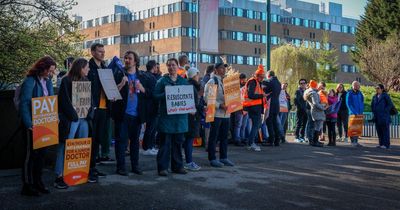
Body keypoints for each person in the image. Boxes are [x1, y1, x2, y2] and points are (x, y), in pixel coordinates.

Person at [19, 56, 56, 196]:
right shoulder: (30, 81)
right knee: (30, 156)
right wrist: (29, 124)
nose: (51, 74)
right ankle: (27, 185)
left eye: (52, 71)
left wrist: (54, 118)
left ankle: (38, 182)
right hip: (32, 124)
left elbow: (51, 102)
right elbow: (24, 103)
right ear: (43, 68)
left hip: (45, 123)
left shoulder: (48, 82)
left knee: (41, 155)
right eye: (50, 71)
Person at [112, 51, 152, 176]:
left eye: (130, 58)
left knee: (135, 143)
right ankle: (121, 167)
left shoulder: (143, 77)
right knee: (121, 142)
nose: (127, 60)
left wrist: (142, 89)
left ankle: (135, 166)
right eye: (125, 58)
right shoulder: (118, 74)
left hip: (137, 115)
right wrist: (121, 84)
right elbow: (111, 95)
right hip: (122, 114)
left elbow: (151, 94)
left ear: (135, 61)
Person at [55, 58, 90, 189]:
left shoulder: (85, 80)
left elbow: (89, 99)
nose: (88, 69)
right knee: (64, 146)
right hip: (71, 119)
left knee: (82, 146)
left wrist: (89, 112)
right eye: (87, 67)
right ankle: (59, 176)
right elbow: (63, 101)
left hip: (83, 119)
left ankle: (77, 173)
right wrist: (74, 115)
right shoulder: (66, 80)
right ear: (80, 68)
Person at [154, 58, 189, 176]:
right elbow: (155, 96)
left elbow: (190, 97)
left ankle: (178, 166)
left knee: (178, 144)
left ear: (178, 67)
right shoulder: (162, 81)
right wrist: (166, 94)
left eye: (173, 65)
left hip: (180, 119)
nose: (171, 67)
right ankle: (163, 168)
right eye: (169, 65)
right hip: (166, 119)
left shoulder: (183, 81)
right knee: (165, 144)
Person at [204, 63, 234, 167]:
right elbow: (207, 98)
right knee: (214, 137)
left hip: (226, 114)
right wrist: (219, 105)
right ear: (216, 70)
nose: (224, 70)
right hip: (216, 114)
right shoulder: (212, 81)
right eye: (221, 68)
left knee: (224, 137)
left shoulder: (227, 81)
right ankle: (212, 158)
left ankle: (223, 157)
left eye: (224, 68)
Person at [87, 43, 109, 181]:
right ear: (93, 52)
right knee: (92, 139)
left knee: (99, 139)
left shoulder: (105, 67)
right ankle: (89, 168)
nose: (102, 54)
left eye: (103, 51)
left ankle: (93, 167)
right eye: (100, 51)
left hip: (104, 107)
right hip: (93, 109)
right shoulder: (89, 68)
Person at [243, 65, 266, 151]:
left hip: (255, 106)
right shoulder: (253, 82)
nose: (262, 79)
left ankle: (251, 142)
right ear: (257, 76)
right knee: (256, 125)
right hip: (253, 106)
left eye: (263, 77)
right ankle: (250, 143)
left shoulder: (256, 82)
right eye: (261, 77)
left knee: (257, 125)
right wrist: (262, 95)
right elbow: (251, 95)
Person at [183, 67, 203, 171]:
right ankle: (189, 162)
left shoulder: (188, 85)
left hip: (189, 116)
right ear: (195, 75)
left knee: (187, 140)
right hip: (192, 117)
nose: (199, 77)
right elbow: (194, 103)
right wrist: (202, 108)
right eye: (198, 75)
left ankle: (187, 160)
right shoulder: (192, 86)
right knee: (189, 140)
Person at [141, 60, 159, 156]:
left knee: (151, 127)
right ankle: (148, 147)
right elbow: (153, 92)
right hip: (151, 106)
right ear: (153, 67)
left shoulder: (145, 76)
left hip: (147, 105)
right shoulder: (151, 78)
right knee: (151, 127)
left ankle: (150, 146)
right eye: (156, 67)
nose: (157, 69)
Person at [371, 84, 394, 149]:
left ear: (382, 89)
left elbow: (390, 105)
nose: (376, 89)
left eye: (378, 88)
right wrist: (373, 111)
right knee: (379, 131)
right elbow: (372, 105)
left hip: (384, 117)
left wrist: (385, 111)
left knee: (385, 131)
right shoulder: (374, 96)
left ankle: (386, 145)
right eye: (376, 88)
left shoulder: (385, 96)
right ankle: (381, 144)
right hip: (377, 116)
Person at [263, 70, 282, 146]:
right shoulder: (278, 83)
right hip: (276, 104)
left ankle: (271, 140)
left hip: (270, 103)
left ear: (268, 75)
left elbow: (264, 88)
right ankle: (277, 140)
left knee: (269, 122)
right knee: (275, 123)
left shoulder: (269, 81)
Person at [304, 80, 325, 147]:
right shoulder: (313, 93)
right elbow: (315, 103)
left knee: (313, 125)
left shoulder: (307, 91)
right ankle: (314, 141)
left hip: (312, 110)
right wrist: (323, 107)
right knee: (316, 126)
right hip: (316, 110)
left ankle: (313, 140)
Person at [346, 81, 364, 147]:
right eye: (355, 85)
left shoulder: (360, 93)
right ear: (352, 86)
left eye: (358, 85)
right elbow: (348, 104)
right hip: (353, 114)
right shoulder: (349, 93)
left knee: (357, 128)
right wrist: (354, 112)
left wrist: (361, 111)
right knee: (352, 129)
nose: (357, 86)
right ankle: (353, 142)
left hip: (359, 113)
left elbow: (362, 102)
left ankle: (356, 141)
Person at [232, 73, 247, 147]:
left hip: (245, 107)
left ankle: (242, 138)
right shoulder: (236, 87)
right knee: (238, 124)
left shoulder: (246, 86)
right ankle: (237, 139)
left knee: (243, 125)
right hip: (239, 107)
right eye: (243, 80)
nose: (244, 81)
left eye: (245, 80)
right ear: (239, 80)